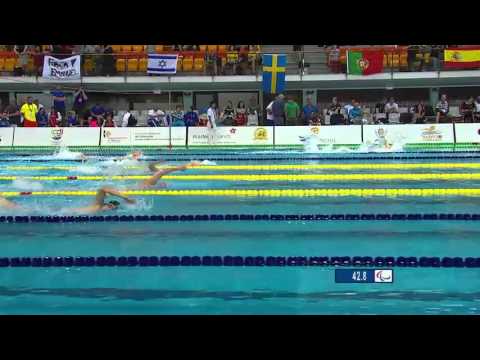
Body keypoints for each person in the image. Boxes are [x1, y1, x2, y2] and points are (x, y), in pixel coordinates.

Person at [0, 187, 136, 214]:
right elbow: (104, 188)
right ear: (109, 205)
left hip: (60, 212)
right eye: (111, 206)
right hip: (60, 212)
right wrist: (126, 198)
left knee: (19, 208)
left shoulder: (98, 208)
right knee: (17, 208)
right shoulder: (98, 206)